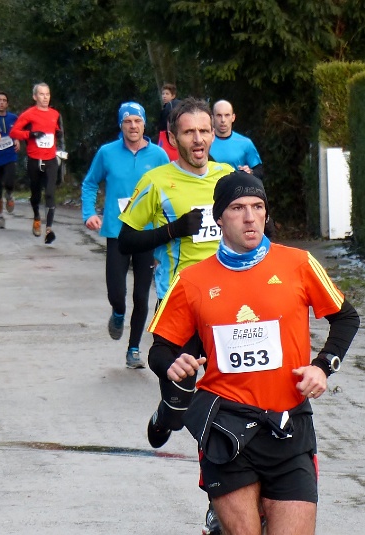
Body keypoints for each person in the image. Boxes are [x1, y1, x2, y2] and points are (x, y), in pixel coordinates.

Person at [155, 171, 359, 535]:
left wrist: (322, 366)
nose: (250, 217)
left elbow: (346, 318)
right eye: (237, 208)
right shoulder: (191, 280)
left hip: (288, 424)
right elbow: (160, 349)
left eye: (257, 206)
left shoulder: (298, 263)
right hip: (226, 424)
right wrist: (173, 363)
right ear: (219, 218)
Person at [116, 97, 233, 534]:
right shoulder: (157, 181)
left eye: (205, 130)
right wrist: (175, 230)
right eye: (189, 132)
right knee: (182, 407)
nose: (199, 139)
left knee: (221, 408)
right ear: (172, 137)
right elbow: (126, 240)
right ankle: (168, 411)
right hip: (180, 305)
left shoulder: (228, 177)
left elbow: (261, 231)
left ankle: (218, 501)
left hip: (230, 308)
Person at [81, 102, 168, 368]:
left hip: (147, 233)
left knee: (141, 295)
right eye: (128, 121)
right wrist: (89, 213)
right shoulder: (107, 153)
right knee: (117, 292)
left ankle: (133, 350)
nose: (133, 126)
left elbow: (169, 191)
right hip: (117, 232)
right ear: (121, 125)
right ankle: (118, 312)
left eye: (137, 121)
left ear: (144, 124)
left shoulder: (158, 155)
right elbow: (90, 183)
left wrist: (167, 229)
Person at [10, 82, 65, 244]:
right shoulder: (29, 114)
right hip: (34, 160)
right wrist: (31, 134)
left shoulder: (55, 114)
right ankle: (36, 217)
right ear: (35, 97)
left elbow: (58, 131)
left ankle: (49, 229)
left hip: (51, 159)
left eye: (47, 94)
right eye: (41, 94)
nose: (45, 97)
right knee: (35, 195)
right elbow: (14, 132)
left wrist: (58, 136)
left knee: (50, 193)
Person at [210, 100, 264, 179]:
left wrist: (250, 172)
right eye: (219, 115)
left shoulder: (245, 143)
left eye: (227, 115)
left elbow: (259, 171)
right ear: (212, 118)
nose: (223, 120)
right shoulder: (204, 142)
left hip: (237, 186)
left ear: (233, 117)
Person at [0, 92, 19, 229]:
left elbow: (18, 131)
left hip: (10, 155)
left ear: (7, 103)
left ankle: (9, 194)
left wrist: (17, 140)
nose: (1, 102)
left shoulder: (13, 118)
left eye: (4, 100)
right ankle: (1, 216)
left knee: (9, 181)